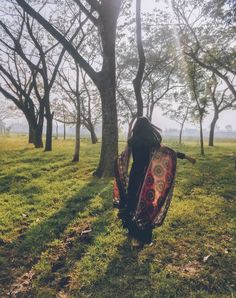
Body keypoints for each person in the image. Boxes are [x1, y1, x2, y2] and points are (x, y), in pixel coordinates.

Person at [116, 116, 196, 248]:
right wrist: (186, 156)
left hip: (135, 175)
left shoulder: (132, 141)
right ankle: (140, 239)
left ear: (136, 127)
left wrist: (119, 170)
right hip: (148, 177)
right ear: (148, 127)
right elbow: (169, 152)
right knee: (145, 205)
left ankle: (132, 234)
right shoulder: (152, 141)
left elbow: (123, 158)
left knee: (132, 202)